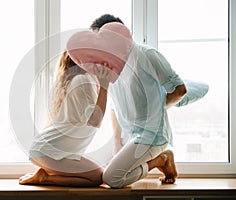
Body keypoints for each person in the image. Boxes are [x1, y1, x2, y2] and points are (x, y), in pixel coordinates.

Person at [89, 14, 187, 188]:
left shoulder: (147, 55)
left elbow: (180, 90)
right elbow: (114, 106)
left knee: (112, 178)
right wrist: (117, 142)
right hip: (130, 135)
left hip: (152, 135)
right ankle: (159, 160)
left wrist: (156, 110)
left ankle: (161, 160)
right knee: (97, 172)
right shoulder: (110, 64)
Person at [19, 51, 111, 187]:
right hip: (48, 152)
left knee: (97, 175)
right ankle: (44, 178)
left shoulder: (78, 80)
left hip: (44, 150)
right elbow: (94, 120)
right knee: (97, 177)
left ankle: (46, 175)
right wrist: (104, 86)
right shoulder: (83, 80)